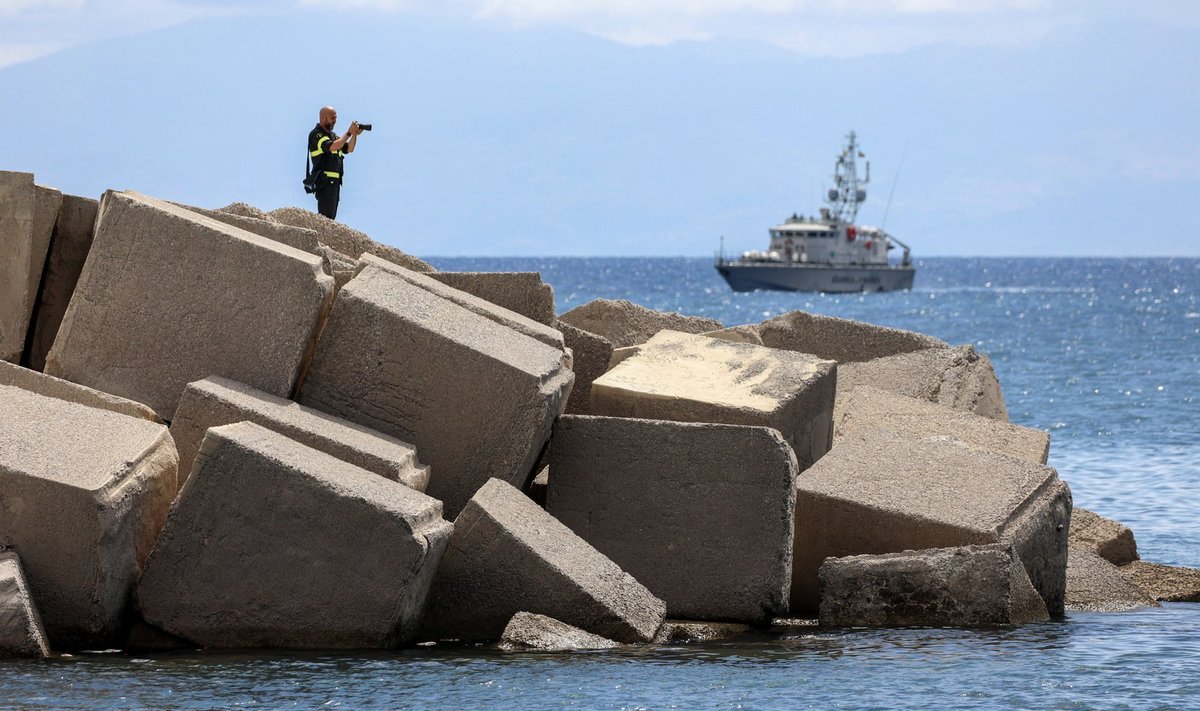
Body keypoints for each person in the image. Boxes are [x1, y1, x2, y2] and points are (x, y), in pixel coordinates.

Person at [307, 106, 363, 220]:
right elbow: (332, 146)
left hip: (335, 183)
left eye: (335, 118)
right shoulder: (317, 134)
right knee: (326, 218)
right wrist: (348, 132)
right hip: (325, 182)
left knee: (331, 218)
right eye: (332, 118)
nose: (335, 121)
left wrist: (354, 134)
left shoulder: (332, 136)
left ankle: (324, 237)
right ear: (323, 118)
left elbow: (349, 149)